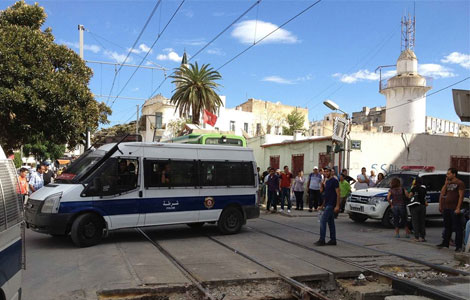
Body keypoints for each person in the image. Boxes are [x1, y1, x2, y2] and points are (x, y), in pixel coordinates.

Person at [437, 168, 465, 252]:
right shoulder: (448, 183)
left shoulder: (459, 183)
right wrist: (445, 184)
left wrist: (458, 208)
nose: (447, 175)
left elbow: (461, 196)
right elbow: (442, 193)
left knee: (457, 227)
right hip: (447, 207)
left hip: (454, 208)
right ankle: (445, 243)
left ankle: (458, 246)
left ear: (454, 174)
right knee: (447, 226)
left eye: (449, 174)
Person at [314, 167, 340, 246]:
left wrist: (337, 206)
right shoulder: (327, 182)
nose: (326, 173)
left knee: (323, 221)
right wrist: (322, 205)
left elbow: (338, 193)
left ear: (331, 172)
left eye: (327, 171)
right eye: (325, 172)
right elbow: (325, 194)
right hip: (327, 203)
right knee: (331, 222)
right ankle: (333, 240)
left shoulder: (335, 181)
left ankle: (322, 240)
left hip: (331, 204)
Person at [408, 177, 427, 242]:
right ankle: (423, 237)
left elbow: (410, 196)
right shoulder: (424, 188)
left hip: (415, 206)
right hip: (423, 206)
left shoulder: (414, 188)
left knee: (415, 222)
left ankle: (416, 237)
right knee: (422, 222)